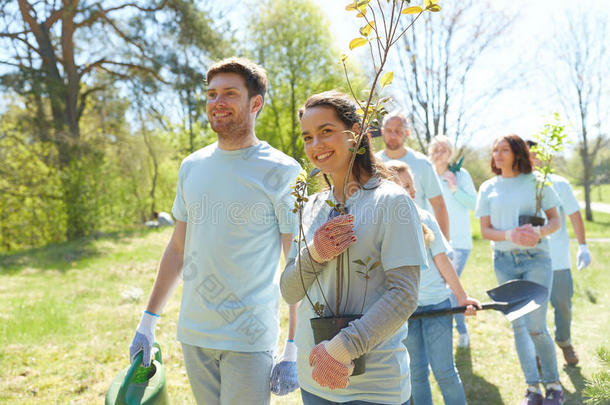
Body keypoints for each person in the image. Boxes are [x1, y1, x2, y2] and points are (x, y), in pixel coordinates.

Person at [128, 57, 302, 405]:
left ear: (256, 103)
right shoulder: (191, 166)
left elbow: (297, 263)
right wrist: (148, 321)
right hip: (194, 335)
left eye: (229, 94)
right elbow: (178, 248)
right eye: (211, 94)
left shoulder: (283, 171)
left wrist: (293, 346)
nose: (217, 103)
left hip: (248, 340)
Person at [280, 91, 428, 405]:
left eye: (326, 132)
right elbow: (289, 291)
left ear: (356, 132)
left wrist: (341, 348)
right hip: (315, 381)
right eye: (307, 137)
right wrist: (316, 253)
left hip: (375, 389)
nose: (316, 145)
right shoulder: (309, 207)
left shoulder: (392, 201)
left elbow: (404, 294)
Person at [475, 135, 564, 405]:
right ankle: (533, 389)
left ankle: (553, 385)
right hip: (504, 262)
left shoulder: (538, 182)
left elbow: (555, 221)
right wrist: (511, 235)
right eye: (495, 150)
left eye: (504, 150)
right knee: (519, 326)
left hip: (536, 259)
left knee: (536, 327)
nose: (498, 154)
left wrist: (536, 232)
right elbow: (485, 231)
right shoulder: (488, 187)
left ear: (517, 153)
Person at [387, 159, 480, 405]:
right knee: (416, 373)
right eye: (406, 186)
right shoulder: (381, 225)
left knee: (445, 371)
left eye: (412, 185)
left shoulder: (425, 217)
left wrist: (461, 296)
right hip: (404, 312)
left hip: (436, 306)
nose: (414, 191)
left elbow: (442, 260)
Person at [527, 140, 592, 366]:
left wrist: (582, 246)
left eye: (535, 155)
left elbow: (574, 215)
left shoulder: (559, 184)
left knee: (563, 303)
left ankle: (564, 341)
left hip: (558, 259)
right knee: (534, 309)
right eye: (527, 155)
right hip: (531, 261)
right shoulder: (522, 185)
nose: (532, 160)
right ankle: (537, 351)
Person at [428, 135, 477, 348]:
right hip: (431, 242)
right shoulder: (426, 175)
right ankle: (442, 334)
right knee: (439, 289)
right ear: (430, 153)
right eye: (436, 149)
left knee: (450, 288)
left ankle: (461, 331)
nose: (440, 153)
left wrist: (454, 186)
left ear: (451, 154)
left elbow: (473, 203)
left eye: (445, 150)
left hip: (458, 242)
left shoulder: (460, 175)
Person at [375, 113, 450, 240]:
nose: (393, 136)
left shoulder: (422, 163)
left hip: (417, 237)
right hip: (381, 238)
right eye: (389, 131)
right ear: (382, 131)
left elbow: (439, 205)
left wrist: (445, 244)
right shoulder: (373, 162)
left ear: (407, 133)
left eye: (398, 131)